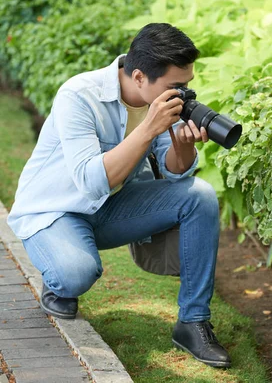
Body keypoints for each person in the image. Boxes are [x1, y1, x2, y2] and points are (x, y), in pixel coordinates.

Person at [7, 23, 231, 368]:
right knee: (75, 274)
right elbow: (91, 180)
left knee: (198, 195)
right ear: (139, 76)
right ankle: (58, 277)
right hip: (55, 211)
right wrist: (148, 128)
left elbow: (175, 172)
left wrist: (181, 146)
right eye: (177, 87)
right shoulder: (79, 96)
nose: (184, 95)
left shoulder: (159, 100)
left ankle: (193, 321)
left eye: (187, 85)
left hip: (110, 207)